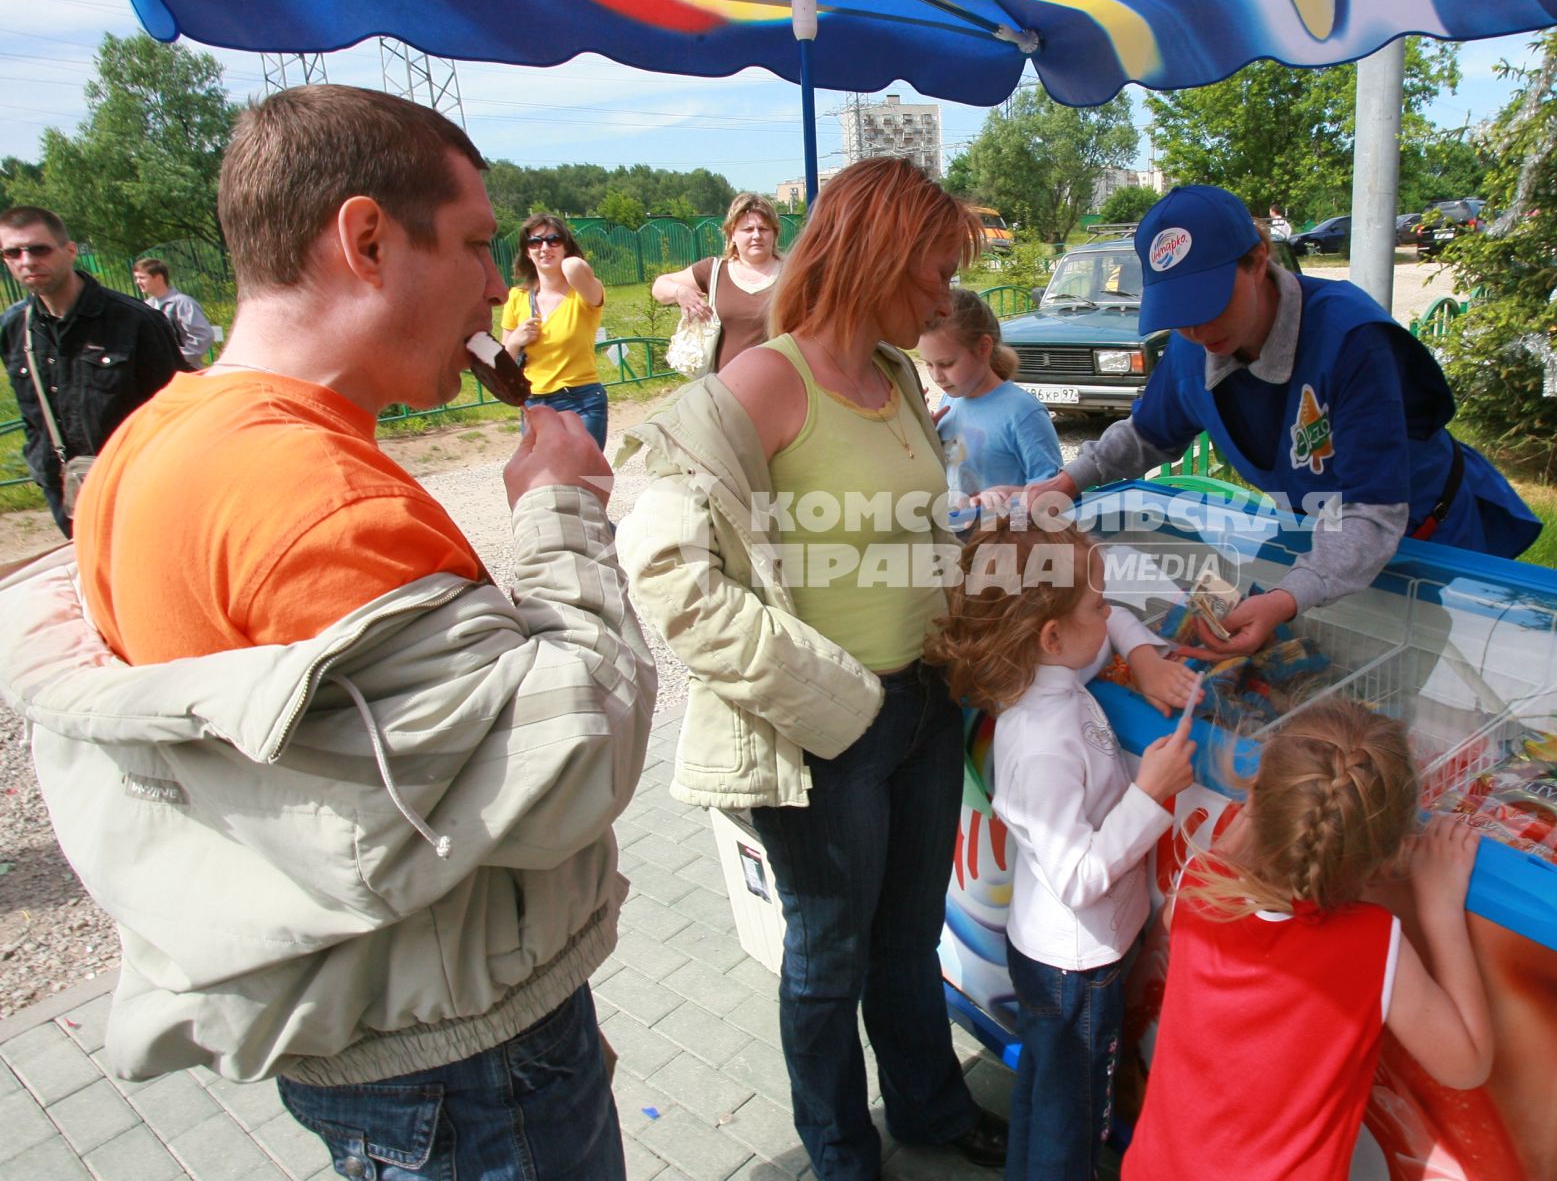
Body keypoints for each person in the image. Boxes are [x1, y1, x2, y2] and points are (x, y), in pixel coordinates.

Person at [0, 85, 656, 1180]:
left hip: (361, 1035)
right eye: (478, 244)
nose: (500, 284)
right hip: (459, 1061)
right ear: (365, 237)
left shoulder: (148, 440)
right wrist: (561, 508)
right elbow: (572, 756)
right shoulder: (322, 502)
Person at [617, 157, 1007, 1181]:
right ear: (874, 255)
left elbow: (916, 532)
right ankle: (840, 1149)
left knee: (911, 934)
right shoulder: (762, 382)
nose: (942, 294)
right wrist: (832, 699)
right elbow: (668, 575)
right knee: (829, 957)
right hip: (824, 734)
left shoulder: (895, 382)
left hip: (924, 705)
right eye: (931, 271)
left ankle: (926, 1105)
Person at [1006, 185, 1541, 656]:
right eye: (1179, 311)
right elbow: (1148, 434)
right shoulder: (1194, 346)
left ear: (1258, 259)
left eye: (1210, 302)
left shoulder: (1351, 341)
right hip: (1316, 536)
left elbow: (1373, 514)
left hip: (1425, 541)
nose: (1195, 328)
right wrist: (1066, 481)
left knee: (1405, 686)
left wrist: (1287, 598)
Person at [923, 524, 1200, 1180]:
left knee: (1049, 1094)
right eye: (1097, 607)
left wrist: (1144, 656)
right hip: (1074, 971)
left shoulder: (1046, 667)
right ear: (1051, 635)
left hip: (1061, 959)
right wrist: (1150, 795)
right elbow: (1078, 876)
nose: (1110, 616)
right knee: (1071, 1118)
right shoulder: (1039, 743)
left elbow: (1117, 619)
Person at [1123, 698, 1494, 1181]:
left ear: (1256, 796)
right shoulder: (1374, 943)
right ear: (1387, 854)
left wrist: (1251, 819)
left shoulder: (1201, 885)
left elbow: (1178, 914)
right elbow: (1467, 1065)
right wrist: (1440, 906)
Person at [0, 207, 183, 536]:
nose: (26, 261)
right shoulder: (14, 327)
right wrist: (41, 466)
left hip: (135, 492)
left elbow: (177, 415)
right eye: (13, 252)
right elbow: (32, 417)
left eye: (39, 249)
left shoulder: (134, 321)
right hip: (67, 496)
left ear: (69, 251)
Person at [921, 288, 1062, 504]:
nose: (936, 376)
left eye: (946, 364)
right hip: (959, 533)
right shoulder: (951, 400)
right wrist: (923, 436)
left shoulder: (1023, 412)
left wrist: (1007, 496)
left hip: (1006, 535)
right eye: (928, 364)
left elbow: (1055, 493)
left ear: (983, 347)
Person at [500, 212, 610, 447]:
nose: (544, 247)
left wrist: (568, 259)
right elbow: (502, 365)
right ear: (527, 252)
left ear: (566, 246)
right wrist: (515, 341)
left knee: (587, 476)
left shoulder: (583, 293)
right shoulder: (516, 298)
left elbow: (575, 268)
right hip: (534, 402)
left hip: (582, 400)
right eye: (535, 242)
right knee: (544, 478)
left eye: (554, 240)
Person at [650, 191, 784, 371]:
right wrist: (680, 292)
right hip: (725, 389)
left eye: (764, 229)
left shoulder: (794, 271)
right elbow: (660, 286)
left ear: (774, 233)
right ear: (732, 234)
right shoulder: (714, 270)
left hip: (782, 385)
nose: (756, 235)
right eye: (748, 229)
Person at [133, 256, 218, 366]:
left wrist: (178, 358)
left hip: (185, 373)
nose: (137, 282)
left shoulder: (183, 303)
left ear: (158, 278)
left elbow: (204, 335)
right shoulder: (146, 306)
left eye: (142, 277)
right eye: (136, 278)